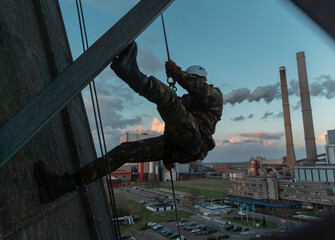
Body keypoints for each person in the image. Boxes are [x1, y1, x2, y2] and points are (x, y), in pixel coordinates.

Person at [34, 42, 223, 203]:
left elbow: (196, 89)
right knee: (124, 151)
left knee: (170, 99)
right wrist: (170, 155)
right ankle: (61, 186)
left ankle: (131, 73)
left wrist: (178, 73)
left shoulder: (214, 96)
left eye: (197, 79)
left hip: (196, 142)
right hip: (179, 146)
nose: (194, 82)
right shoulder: (186, 102)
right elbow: (175, 122)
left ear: (203, 80)